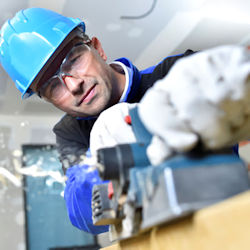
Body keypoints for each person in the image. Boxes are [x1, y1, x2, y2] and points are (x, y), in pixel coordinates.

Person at [0, 7, 195, 234]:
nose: (74, 86)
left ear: (98, 49)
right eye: (52, 86)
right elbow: (84, 216)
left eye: (73, 60)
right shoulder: (70, 132)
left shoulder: (175, 73)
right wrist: (105, 154)